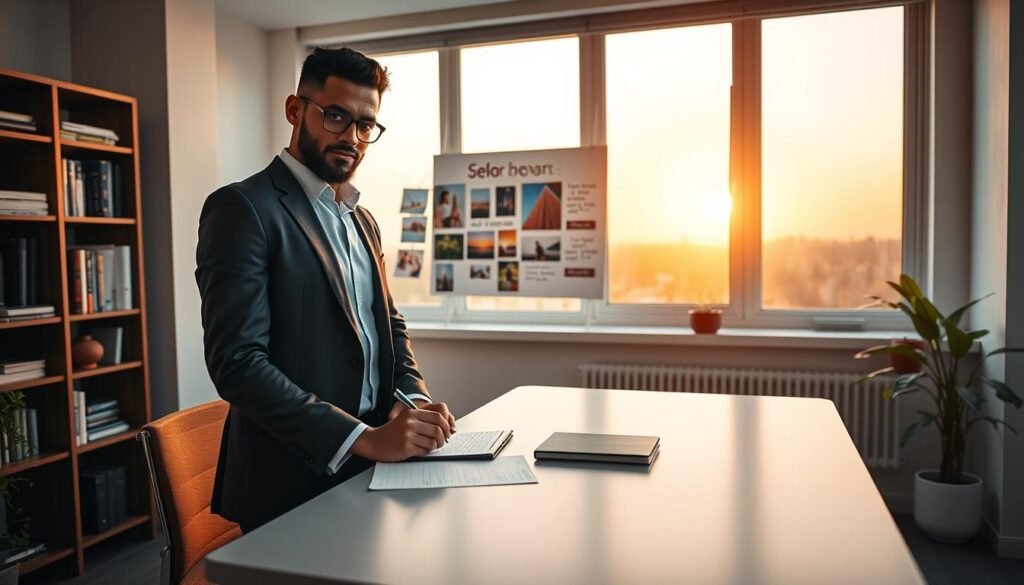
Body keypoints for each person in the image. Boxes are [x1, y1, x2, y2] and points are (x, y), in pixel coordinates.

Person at [195, 47, 456, 532]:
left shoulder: (363, 220)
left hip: (369, 470)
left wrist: (413, 401)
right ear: (296, 111)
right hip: (288, 481)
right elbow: (238, 365)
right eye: (336, 116)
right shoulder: (241, 209)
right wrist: (363, 437)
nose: (352, 138)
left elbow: (389, 329)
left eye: (365, 125)